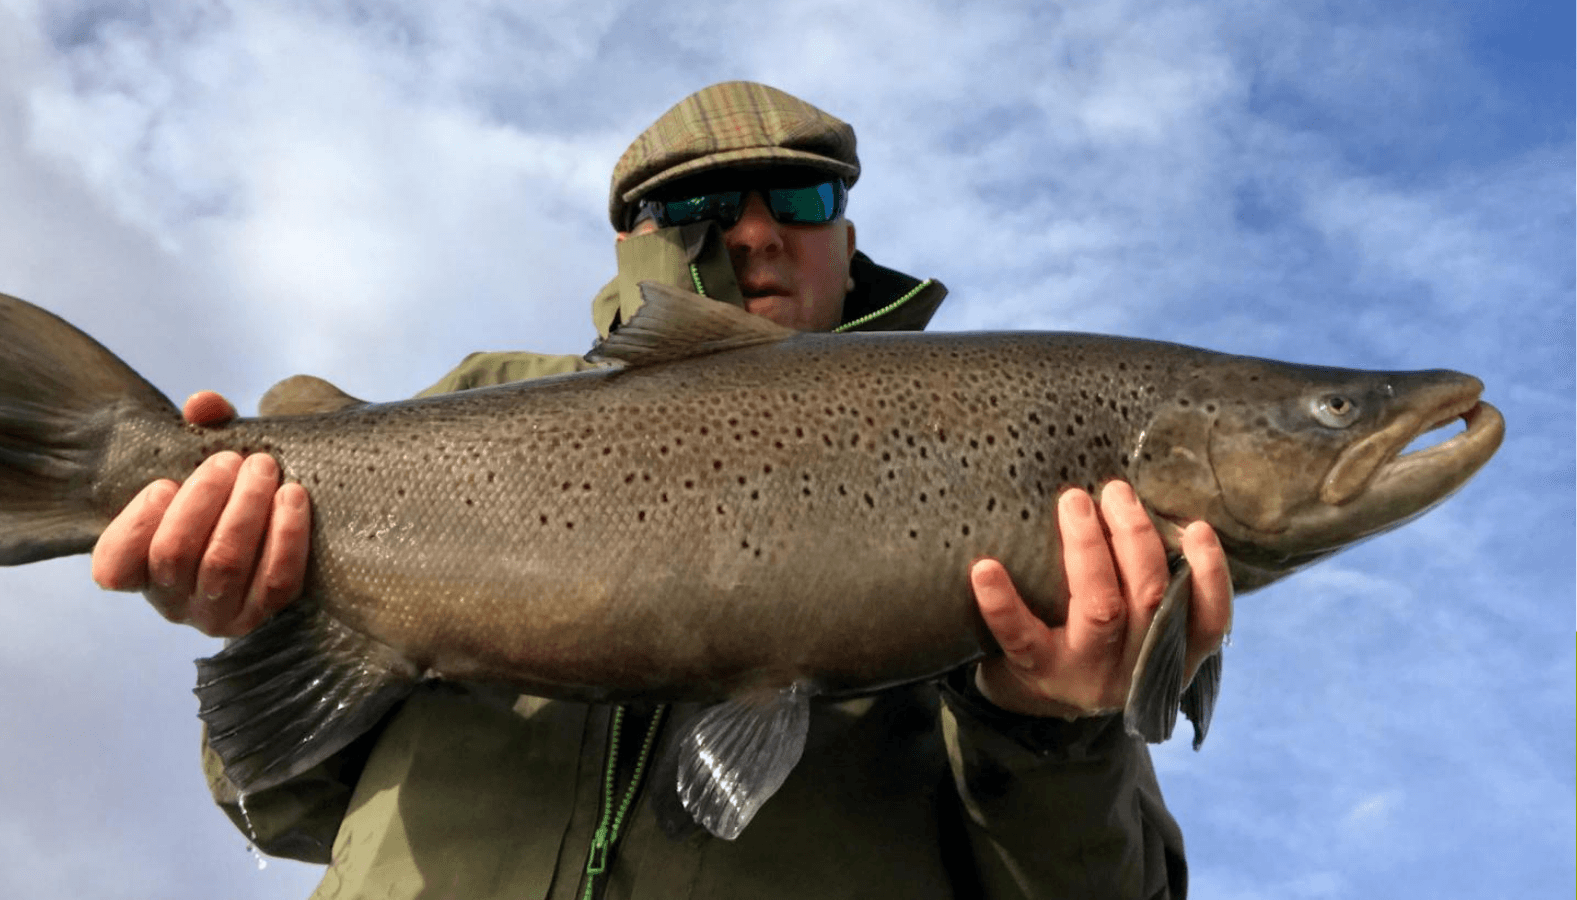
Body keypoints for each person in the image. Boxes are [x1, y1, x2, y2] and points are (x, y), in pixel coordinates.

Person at [92, 82, 1231, 898]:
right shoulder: (476, 402)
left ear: (848, 237)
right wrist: (265, 614)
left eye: (795, 202)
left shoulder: (1017, 476)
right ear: (631, 248)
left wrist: (1052, 735)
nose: (750, 236)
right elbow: (279, 808)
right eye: (695, 208)